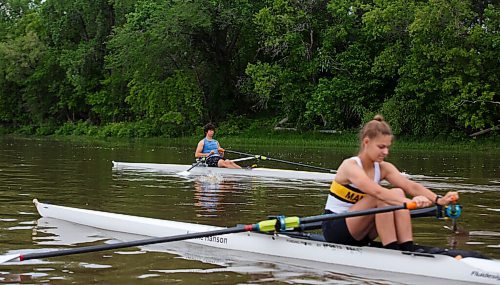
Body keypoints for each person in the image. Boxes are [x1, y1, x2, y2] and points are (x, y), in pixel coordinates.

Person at [322, 115, 458, 251]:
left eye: (387, 147)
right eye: (381, 147)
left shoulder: (383, 168)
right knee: (380, 197)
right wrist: (409, 203)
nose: (386, 152)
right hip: (335, 228)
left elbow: (411, 186)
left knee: (398, 191)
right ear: (366, 142)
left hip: (362, 230)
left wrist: (439, 200)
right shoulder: (350, 166)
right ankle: (392, 249)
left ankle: (407, 247)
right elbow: (377, 192)